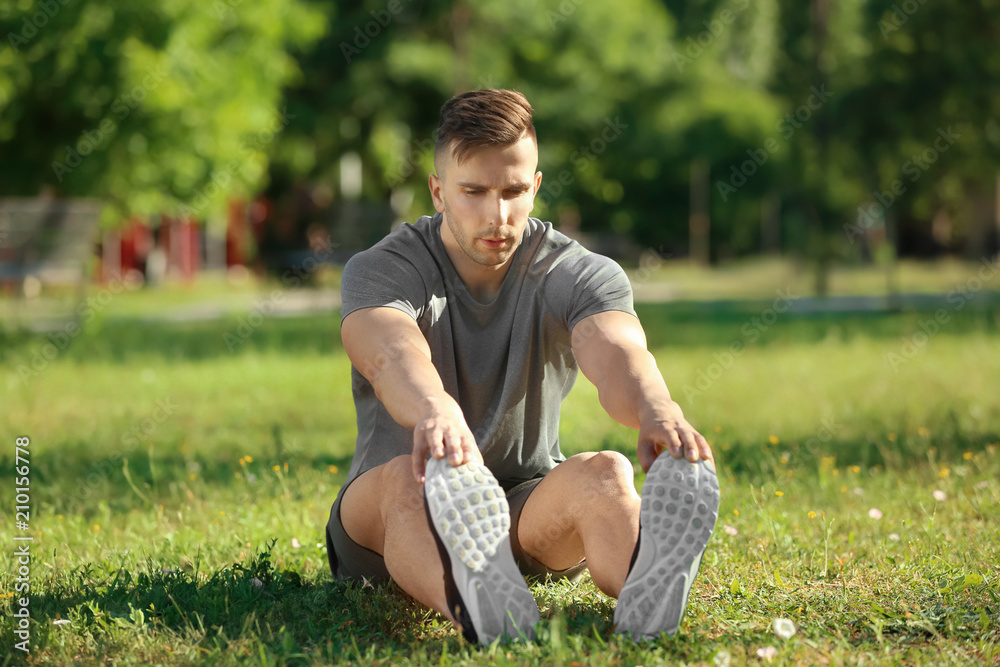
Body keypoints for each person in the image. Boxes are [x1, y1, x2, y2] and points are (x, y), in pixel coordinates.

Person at [325, 88, 719, 645]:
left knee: (604, 473)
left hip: (519, 506)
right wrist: (435, 411)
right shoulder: (384, 267)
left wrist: (658, 408)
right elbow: (390, 351)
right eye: (474, 192)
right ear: (438, 191)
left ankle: (642, 588)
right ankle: (476, 604)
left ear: (535, 187)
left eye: (513, 191)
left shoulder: (577, 271)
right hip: (389, 519)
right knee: (408, 485)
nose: (498, 214)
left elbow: (617, 352)